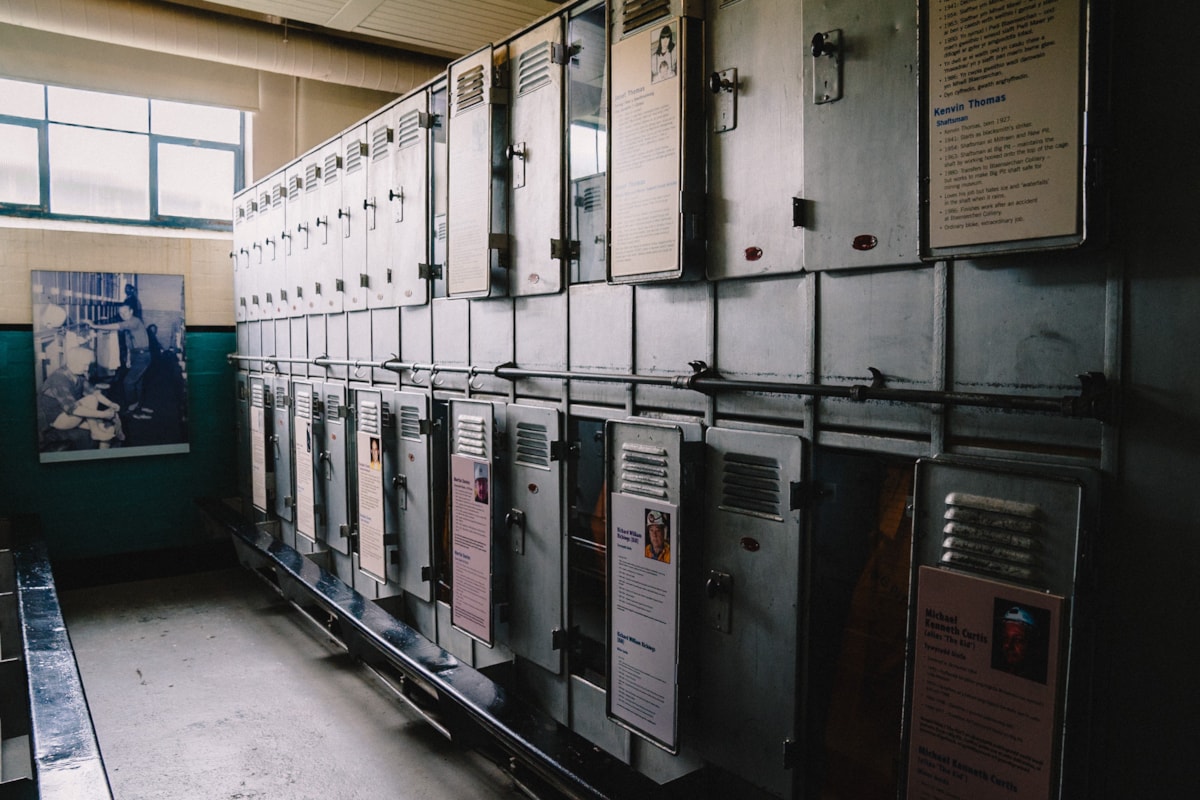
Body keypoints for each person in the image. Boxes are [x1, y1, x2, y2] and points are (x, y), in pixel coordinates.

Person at [37, 345, 121, 451]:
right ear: (72, 362)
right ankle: (95, 432)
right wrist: (102, 414)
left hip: (69, 416)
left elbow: (95, 393)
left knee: (108, 428)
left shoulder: (78, 375)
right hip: (57, 420)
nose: (87, 368)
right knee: (91, 400)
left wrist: (110, 404)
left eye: (88, 365)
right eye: (84, 365)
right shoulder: (59, 379)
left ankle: (102, 456)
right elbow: (73, 409)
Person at [89, 301, 153, 419]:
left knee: (128, 382)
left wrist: (95, 326)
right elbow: (130, 343)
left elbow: (117, 326)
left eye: (125, 312)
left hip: (142, 356)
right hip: (135, 355)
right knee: (138, 383)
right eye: (121, 313)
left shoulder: (134, 321)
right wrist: (129, 358)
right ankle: (139, 407)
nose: (123, 315)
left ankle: (132, 408)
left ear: (131, 311)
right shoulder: (128, 324)